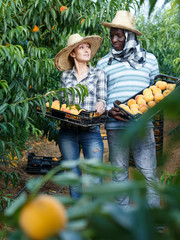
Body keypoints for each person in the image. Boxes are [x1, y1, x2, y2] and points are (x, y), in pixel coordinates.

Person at [97, 10, 160, 209]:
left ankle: (154, 221)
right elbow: (101, 96)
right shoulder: (103, 63)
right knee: (118, 173)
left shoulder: (149, 60)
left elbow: (156, 92)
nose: (114, 40)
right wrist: (109, 110)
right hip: (116, 127)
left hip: (142, 125)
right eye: (111, 35)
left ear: (129, 36)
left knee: (148, 172)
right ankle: (122, 219)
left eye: (119, 35)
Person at [54, 33, 107, 199]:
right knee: (73, 177)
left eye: (88, 47)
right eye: (81, 47)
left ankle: (95, 218)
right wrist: (51, 100)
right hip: (67, 132)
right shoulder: (65, 76)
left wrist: (101, 105)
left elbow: (102, 98)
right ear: (72, 53)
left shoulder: (99, 74)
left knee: (95, 178)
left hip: (91, 132)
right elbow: (61, 103)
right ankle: (78, 218)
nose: (86, 50)